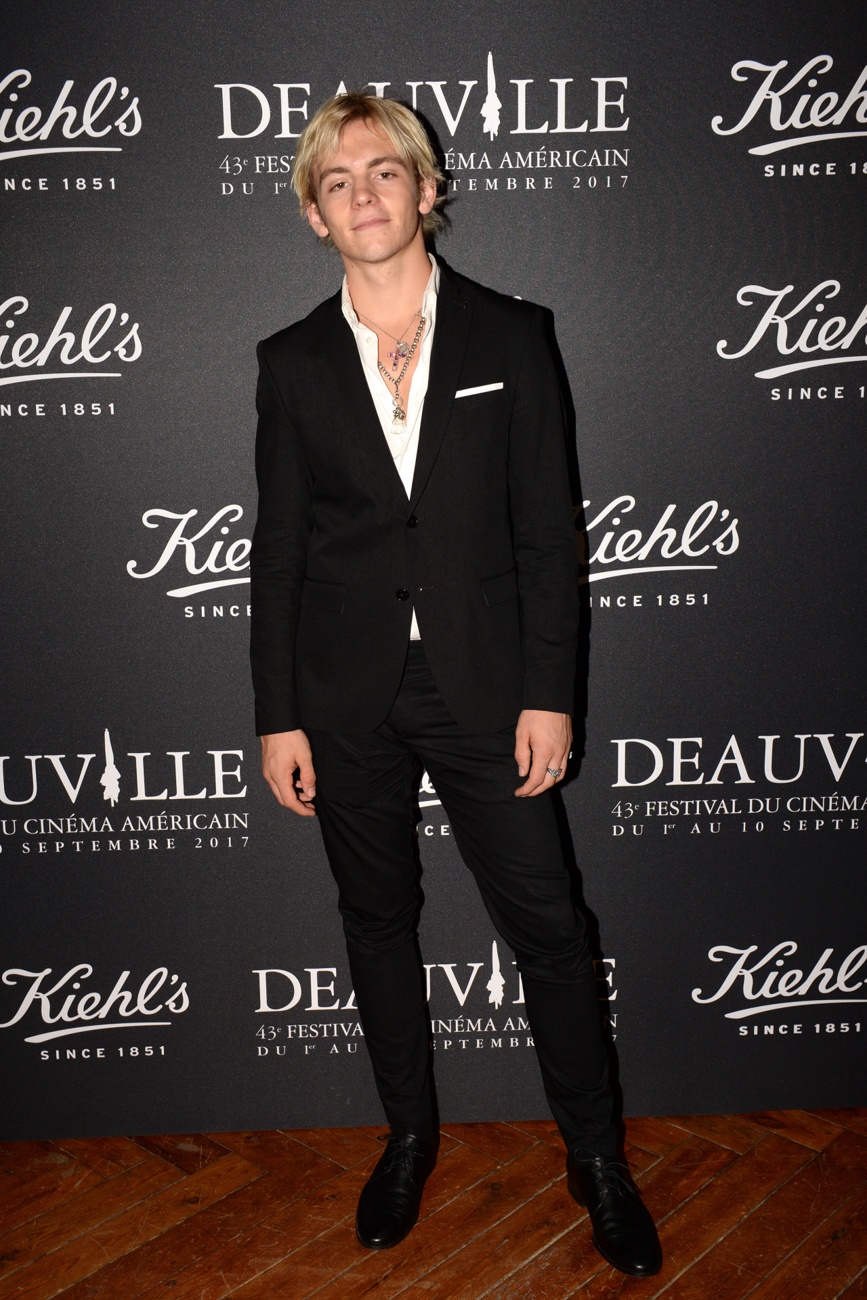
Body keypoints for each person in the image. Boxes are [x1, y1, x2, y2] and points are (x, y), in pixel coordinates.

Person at [250, 92, 661, 1278]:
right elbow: (280, 553)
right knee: (377, 923)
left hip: (489, 692)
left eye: (385, 170)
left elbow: (547, 535)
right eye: (338, 181)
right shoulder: (290, 362)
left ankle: (597, 1158)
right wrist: (277, 715)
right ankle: (409, 1138)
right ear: (315, 214)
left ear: (428, 190)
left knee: (551, 929)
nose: (364, 194)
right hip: (346, 697)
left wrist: (551, 692)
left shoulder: (514, 335)